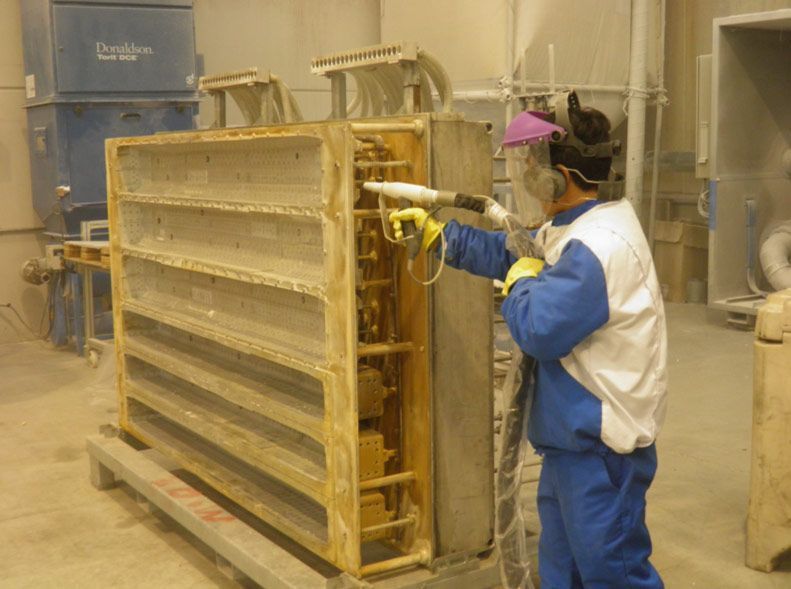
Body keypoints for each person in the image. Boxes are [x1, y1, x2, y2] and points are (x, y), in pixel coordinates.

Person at [390, 92, 667, 589]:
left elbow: (539, 327)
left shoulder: (597, 248)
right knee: (564, 571)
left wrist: (519, 283)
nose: (525, 175)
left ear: (555, 175)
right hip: (570, 445)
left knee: (613, 574)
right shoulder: (575, 226)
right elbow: (514, 251)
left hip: (602, 452)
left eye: (530, 162)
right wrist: (441, 237)